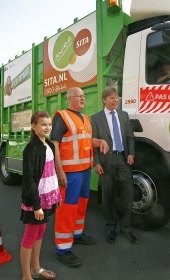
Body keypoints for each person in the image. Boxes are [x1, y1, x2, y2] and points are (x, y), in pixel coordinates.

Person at [51, 87, 108, 268]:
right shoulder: (62, 116)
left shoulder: (85, 118)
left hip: (84, 171)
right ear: (70, 99)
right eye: (79, 96)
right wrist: (59, 171)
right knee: (67, 208)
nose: (83, 98)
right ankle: (63, 249)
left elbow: (85, 140)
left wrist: (99, 142)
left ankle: (76, 234)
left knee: (81, 204)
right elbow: (54, 145)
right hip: (69, 173)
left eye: (84, 96)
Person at [91, 86, 137, 245]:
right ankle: (110, 226)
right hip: (105, 162)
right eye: (111, 97)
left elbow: (130, 137)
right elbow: (93, 143)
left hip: (122, 160)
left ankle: (125, 227)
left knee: (128, 194)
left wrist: (131, 153)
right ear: (104, 100)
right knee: (107, 195)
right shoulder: (96, 118)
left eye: (116, 97)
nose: (115, 100)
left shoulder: (124, 116)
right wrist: (96, 162)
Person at [20, 111, 61, 280]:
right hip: (35, 200)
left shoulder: (50, 145)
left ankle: (36, 267)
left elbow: (51, 174)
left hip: (47, 198)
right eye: (43, 124)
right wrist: (36, 205)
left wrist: (55, 197)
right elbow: (29, 180)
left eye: (49, 124)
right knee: (30, 235)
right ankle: (26, 276)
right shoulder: (31, 148)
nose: (47, 127)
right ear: (33, 126)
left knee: (41, 230)